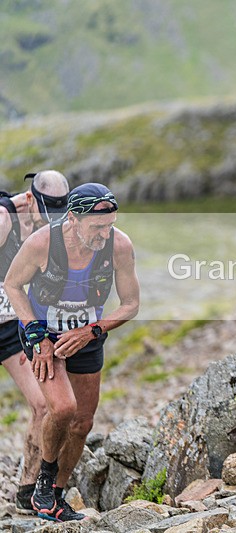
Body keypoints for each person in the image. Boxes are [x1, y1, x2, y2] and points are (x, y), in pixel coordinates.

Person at [5, 183, 140, 522]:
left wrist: (92, 331)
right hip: (43, 334)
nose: (104, 234)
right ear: (73, 218)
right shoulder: (42, 243)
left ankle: (56, 496)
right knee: (63, 408)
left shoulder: (119, 246)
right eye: (96, 227)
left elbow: (131, 304)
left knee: (82, 423)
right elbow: (12, 285)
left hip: (87, 335)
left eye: (109, 225)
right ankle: (43, 485)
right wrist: (37, 336)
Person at [0, 171, 70, 513]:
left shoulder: (47, 227)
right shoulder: (3, 218)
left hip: (13, 326)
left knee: (44, 406)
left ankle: (27, 489)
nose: (52, 222)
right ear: (30, 200)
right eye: (47, 212)